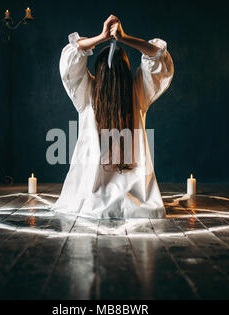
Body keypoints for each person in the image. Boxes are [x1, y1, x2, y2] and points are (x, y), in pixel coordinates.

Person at [52, 15, 174, 219]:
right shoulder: (138, 92)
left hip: (89, 199)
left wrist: (102, 37)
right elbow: (158, 56)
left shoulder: (87, 91)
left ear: (97, 70)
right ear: (127, 70)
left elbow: (70, 58)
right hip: (136, 199)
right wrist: (124, 38)